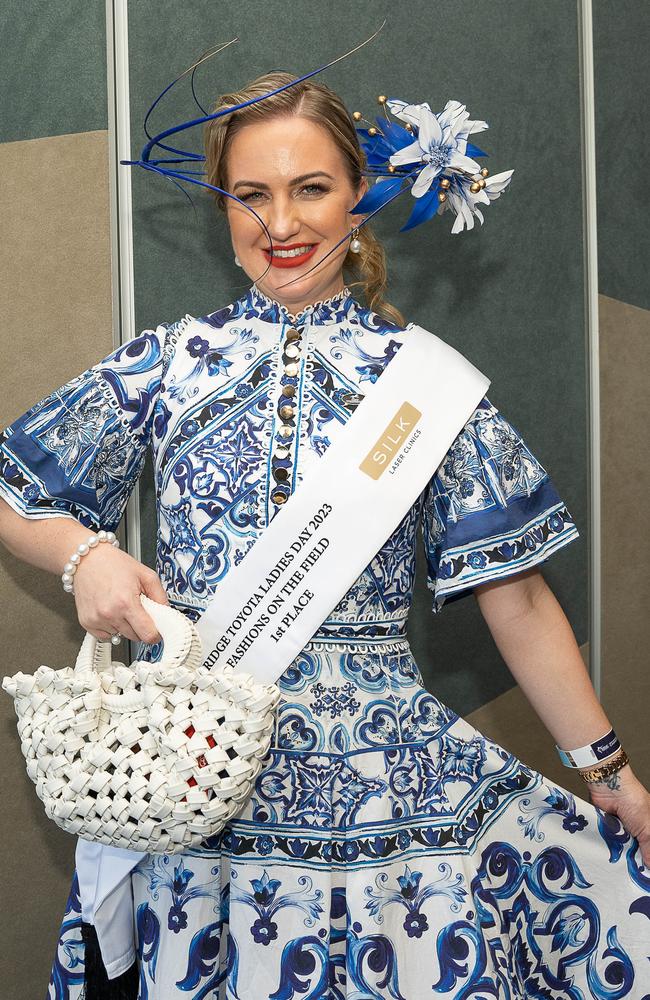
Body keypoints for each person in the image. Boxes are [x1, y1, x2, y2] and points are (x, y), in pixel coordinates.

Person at [1, 68, 649, 1000]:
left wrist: (611, 770)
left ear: (362, 200)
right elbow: (15, 492)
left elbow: (520, 597)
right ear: (222, 209)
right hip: (188, 786)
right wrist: (83, 554)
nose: (281, 223)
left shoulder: (429, 390)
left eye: (310, 189)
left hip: (380, 792)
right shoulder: (168, 363)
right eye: (250, 195)